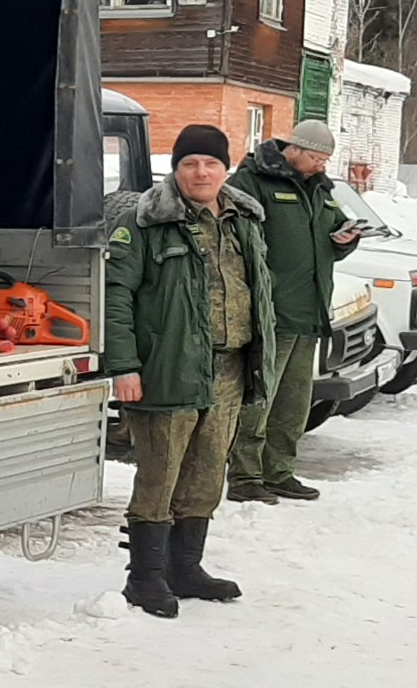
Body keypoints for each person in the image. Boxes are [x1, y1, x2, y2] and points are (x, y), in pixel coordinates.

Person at [105, 124, 276, 618]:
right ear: (175, 168)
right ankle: (145, 579)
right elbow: (116, 297)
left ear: (226, 169)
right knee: (159, 476)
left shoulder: (244, 218)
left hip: (228, 368)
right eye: (190, 163)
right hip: (167, 367)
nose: (201, 172)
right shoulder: (144, 223)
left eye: (211, 164)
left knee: (205, 476)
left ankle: (186, 568)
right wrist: (124, 366)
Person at [226, 119, 360, 504]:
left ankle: (279, 471)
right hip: (272, 313)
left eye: (326, 160)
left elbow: (332, 236)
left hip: (308, 312)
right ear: (294, 149)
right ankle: (245, 476)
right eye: (317, 157)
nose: (322, 165)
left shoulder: (320, 188)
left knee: (294, 402)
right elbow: (235, 241)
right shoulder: (252, 182)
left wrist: (345, 240)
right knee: (259, 398)